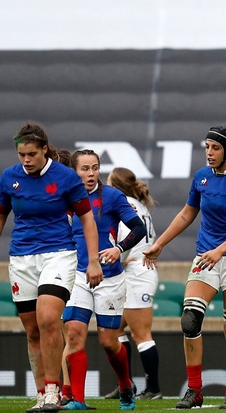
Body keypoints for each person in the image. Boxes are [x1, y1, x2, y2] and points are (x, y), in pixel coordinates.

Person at [143, 126, 226, 410]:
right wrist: (160, 244)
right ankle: (194, 391)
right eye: (207, 147)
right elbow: (186, 213)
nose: (209, 153)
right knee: (190, 321)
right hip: (206, 258)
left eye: (215, 148)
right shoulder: (201, 177)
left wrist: (221, 250)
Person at [0, 123, 101, 413]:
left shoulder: (66, 177)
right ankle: (42, 393)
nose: (26, 160)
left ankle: (55, 391)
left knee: (47, 320)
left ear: (45, 149)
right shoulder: (9, 178)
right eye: (21, 155)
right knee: (33, 331)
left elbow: (87, 219)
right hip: (21, 258)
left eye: (32, 154)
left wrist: (92, 260)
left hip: (58, 254)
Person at [60, 150, 146, 411]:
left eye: (94, 168)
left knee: (109, 343)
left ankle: (125, 385)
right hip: (75, 275)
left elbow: (138, 228)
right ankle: (77, 399)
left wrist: (118, 249)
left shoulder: (111, 196)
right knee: (74, 335)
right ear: (74, 171)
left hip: (108, 277)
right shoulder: (64, 197)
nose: (90, 174)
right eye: (84, 169)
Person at [106, 167, 162, 400]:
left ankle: (153, 388)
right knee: (115, 329)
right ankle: (126, 384)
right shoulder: (139, 205)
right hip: (138, 270)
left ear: (115, 184)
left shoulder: (124, 204)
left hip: (137, 273)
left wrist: (118, 257)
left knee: (141, 333)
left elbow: (125, 236)